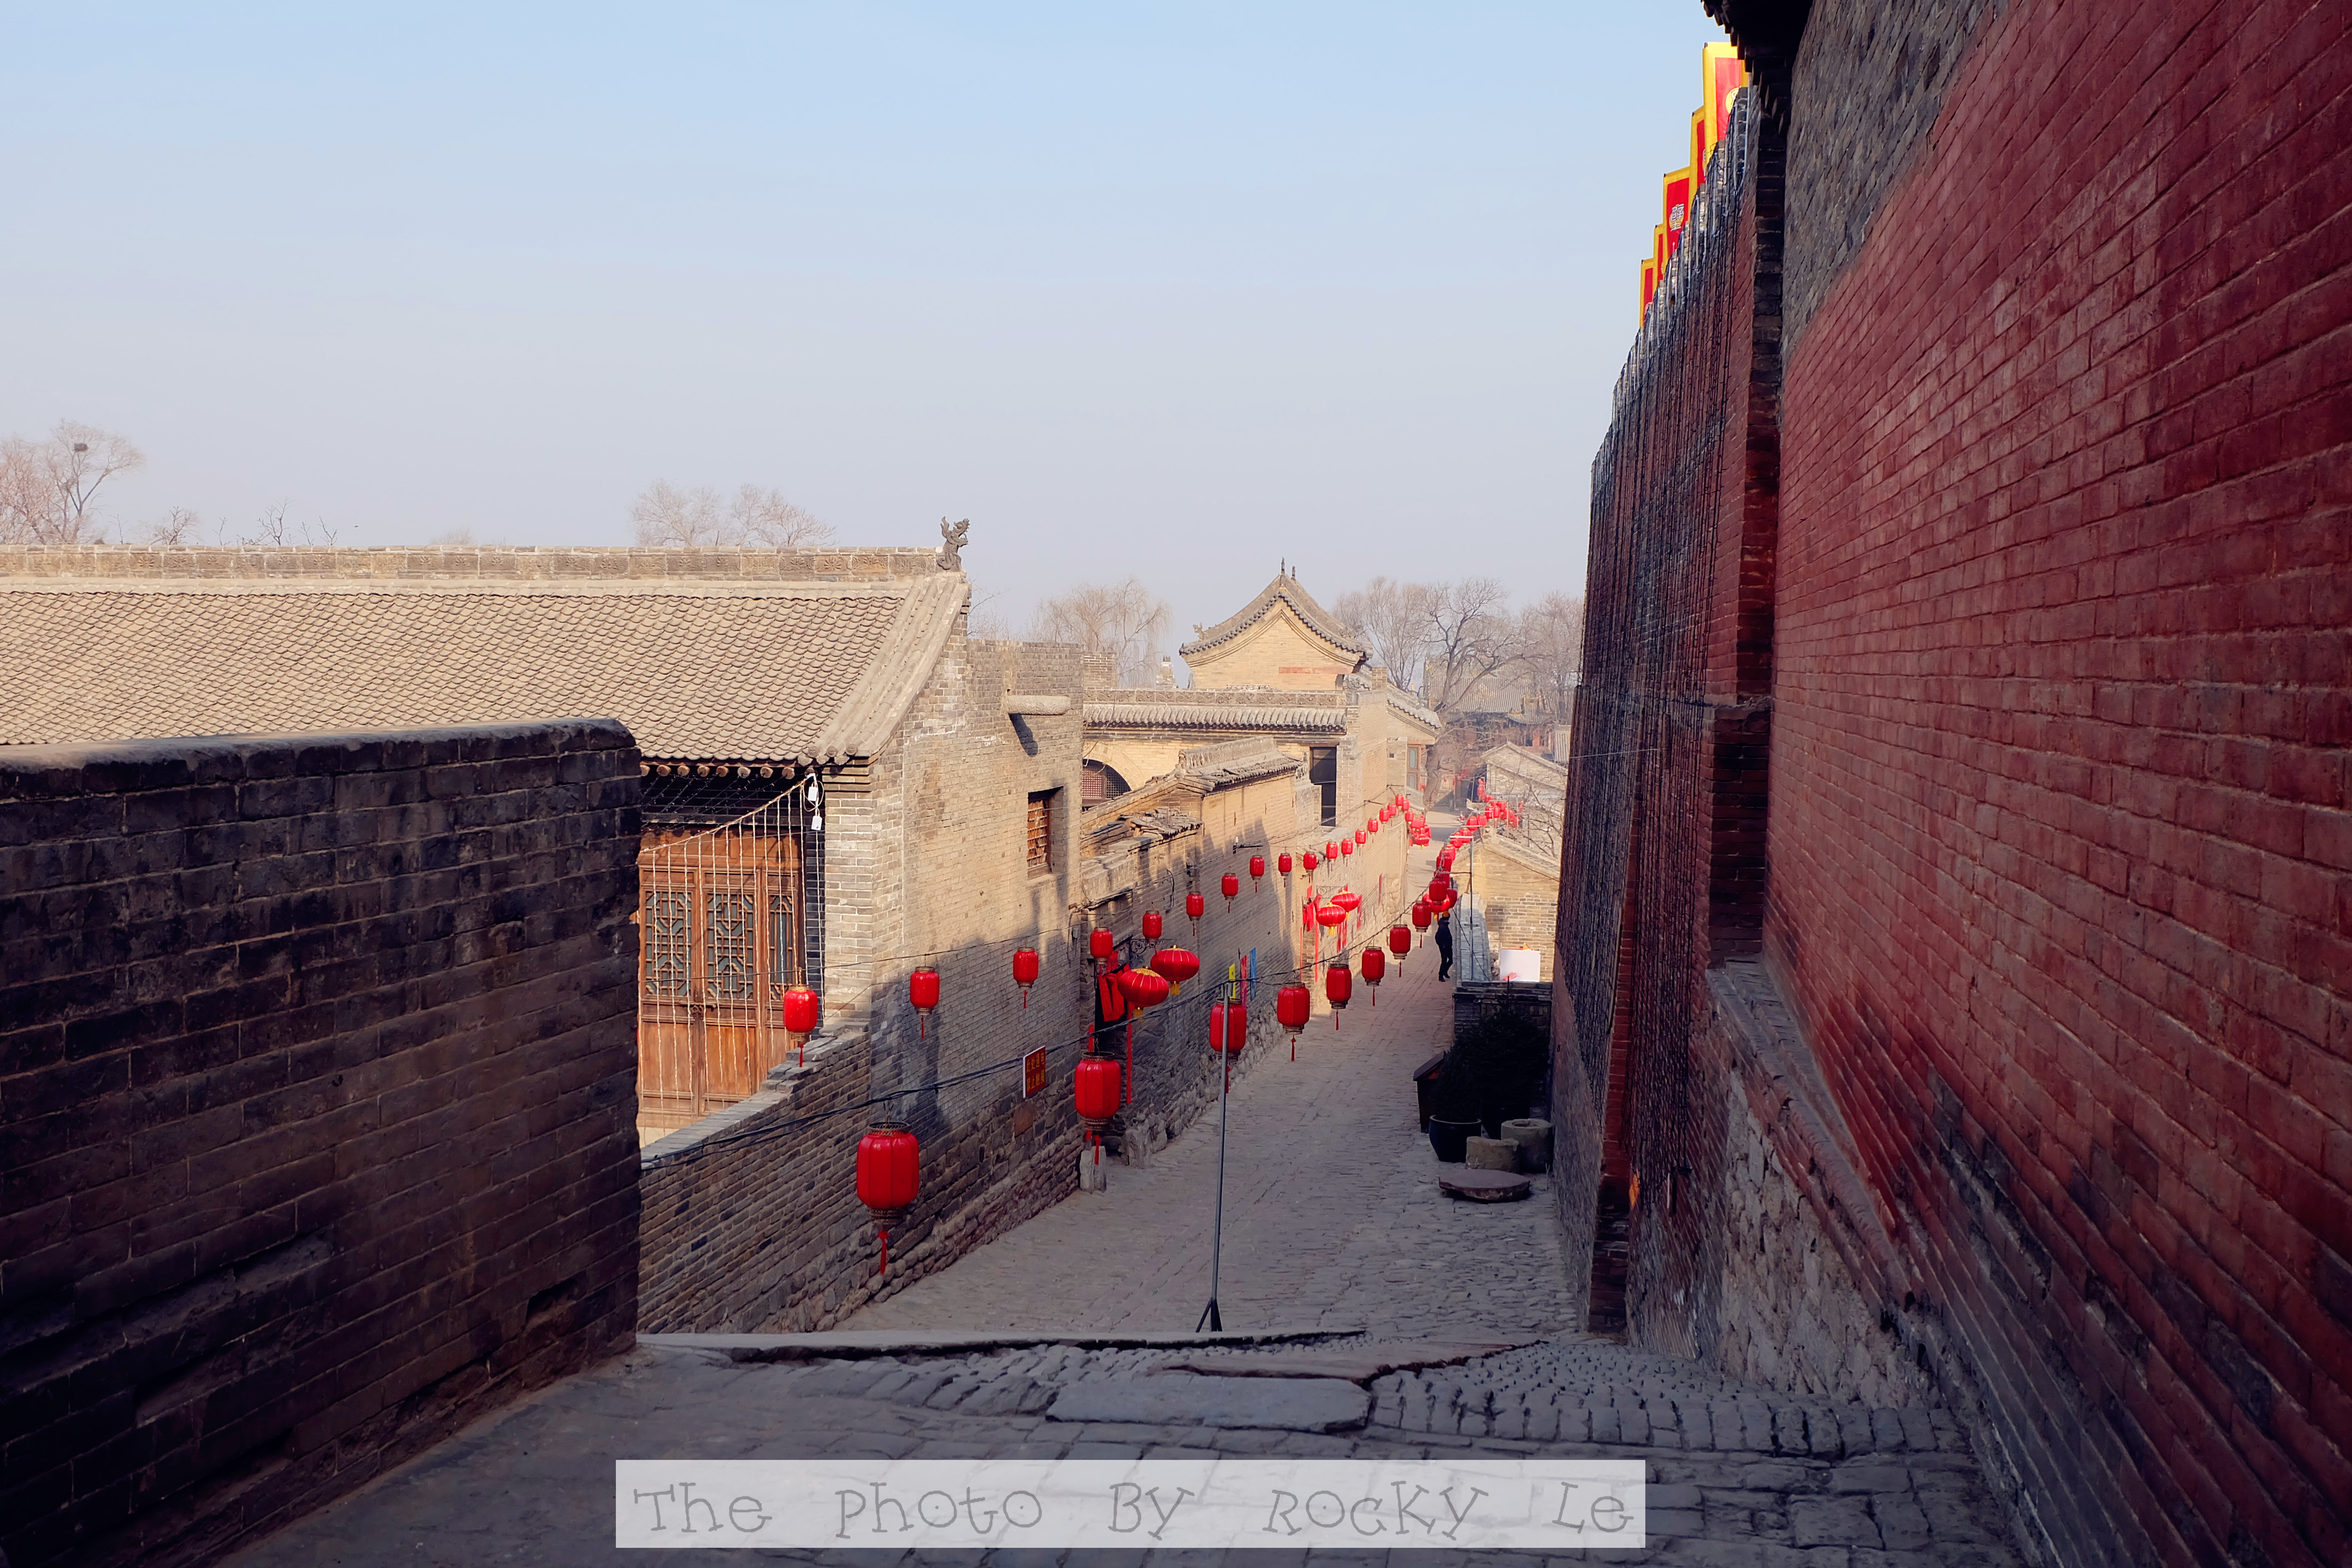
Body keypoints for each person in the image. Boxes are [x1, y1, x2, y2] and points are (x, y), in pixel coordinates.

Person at [1434, 909, 1455, 980]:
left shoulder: (1444, 925)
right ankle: (1441, 975)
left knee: (1451, 960)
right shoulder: (1443, 927)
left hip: (1448, 946)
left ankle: (1445, 971)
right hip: (1444, 947)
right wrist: (1442, 945)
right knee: (1444, 961)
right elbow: (1438, 937)